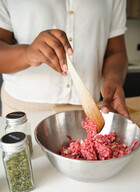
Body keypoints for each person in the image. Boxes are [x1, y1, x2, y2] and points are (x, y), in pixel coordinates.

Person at [0, 0, 129, 118]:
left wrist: (113, 79)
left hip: (87, 107)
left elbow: (115, 50)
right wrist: (28, 53)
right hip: (24, 109)